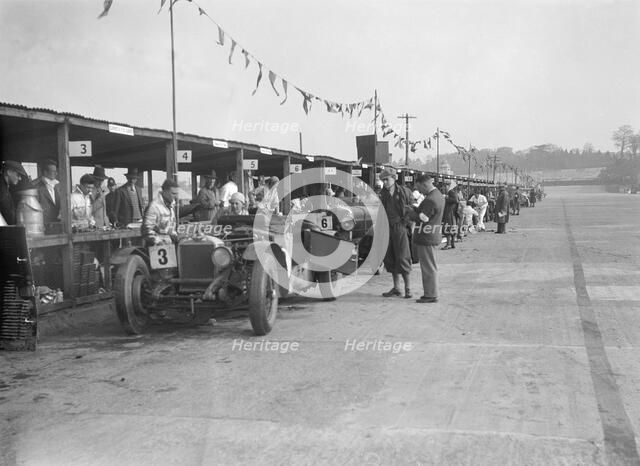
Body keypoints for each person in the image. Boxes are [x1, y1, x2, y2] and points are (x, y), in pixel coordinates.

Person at [379, 167, 414, 299]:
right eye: (383, 180)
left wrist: (406, 224)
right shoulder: (383, 193)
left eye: (387, 179)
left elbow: (411, 209)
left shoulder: (404, 192)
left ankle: (408, 288)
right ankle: (396, 288)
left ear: (394, 178)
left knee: (403, 257)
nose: (385, 182)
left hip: (400, 228)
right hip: (387, 228)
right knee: (391, 257)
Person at [409, 173, 444, 303]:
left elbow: (423, 218)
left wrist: (410, 213)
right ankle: (431, 293)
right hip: (432, 235)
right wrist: (415, 208)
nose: (419, 191)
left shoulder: (430, 199)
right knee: (430, 265)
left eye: (419, 188)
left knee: (428, 267)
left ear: (424, 185)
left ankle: (430, 294)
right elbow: (426, 212)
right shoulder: (437, 195)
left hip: (426, 236)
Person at [142, 178, 179, 246]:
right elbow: (147, 230)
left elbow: (170, 228)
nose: (176, 196)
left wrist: (176, 237)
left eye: (176, 194)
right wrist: (158, 242)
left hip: (169, 244)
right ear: (165, 191)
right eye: (173, 193)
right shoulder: (154, 206)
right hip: (155, 247)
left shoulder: (171, 205)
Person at [34, 159, 61, 229]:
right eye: (53, 171)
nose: (56, 173)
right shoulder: (36, 187)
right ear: (45, 172)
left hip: (58, 224)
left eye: (56, 171)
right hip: (44, 225)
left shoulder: (57, 186)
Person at [0, 161, 28, 225]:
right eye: (18, 175)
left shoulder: (5, 186)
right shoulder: (2, 189)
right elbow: (8, 215)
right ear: (9, 172)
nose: (20, 178)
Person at [442, 182, 458, 249]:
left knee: (447, 228)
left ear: (448, 186)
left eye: (445, 186)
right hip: (451, 213)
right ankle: (452, 243)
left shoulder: (450, 192)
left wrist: (446, 198)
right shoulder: (451, 192)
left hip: (449, 213)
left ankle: (448, 244)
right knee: (451, 228)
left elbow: (455, 200)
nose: (444, 188)